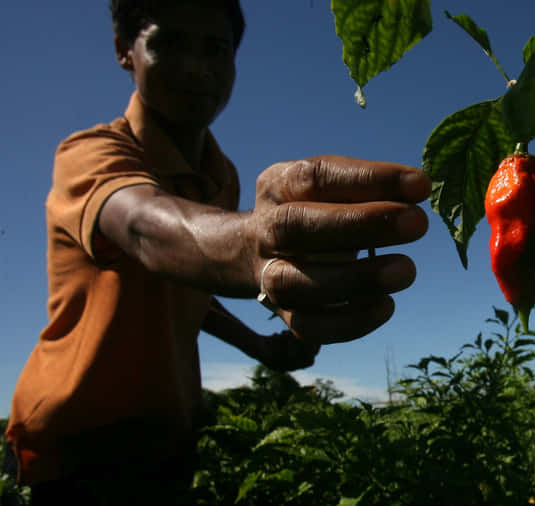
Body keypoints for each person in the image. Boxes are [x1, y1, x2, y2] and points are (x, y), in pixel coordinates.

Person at [2, 1, 431, 504]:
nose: (196, 67)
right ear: (125, 51)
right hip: (75, 440)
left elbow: (190, 287)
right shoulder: (92, 153)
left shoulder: (220, 175)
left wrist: (260, 345)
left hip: (170, 430)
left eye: (216, 49)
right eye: (169, 43)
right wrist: (254, 246)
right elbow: (146, 228)